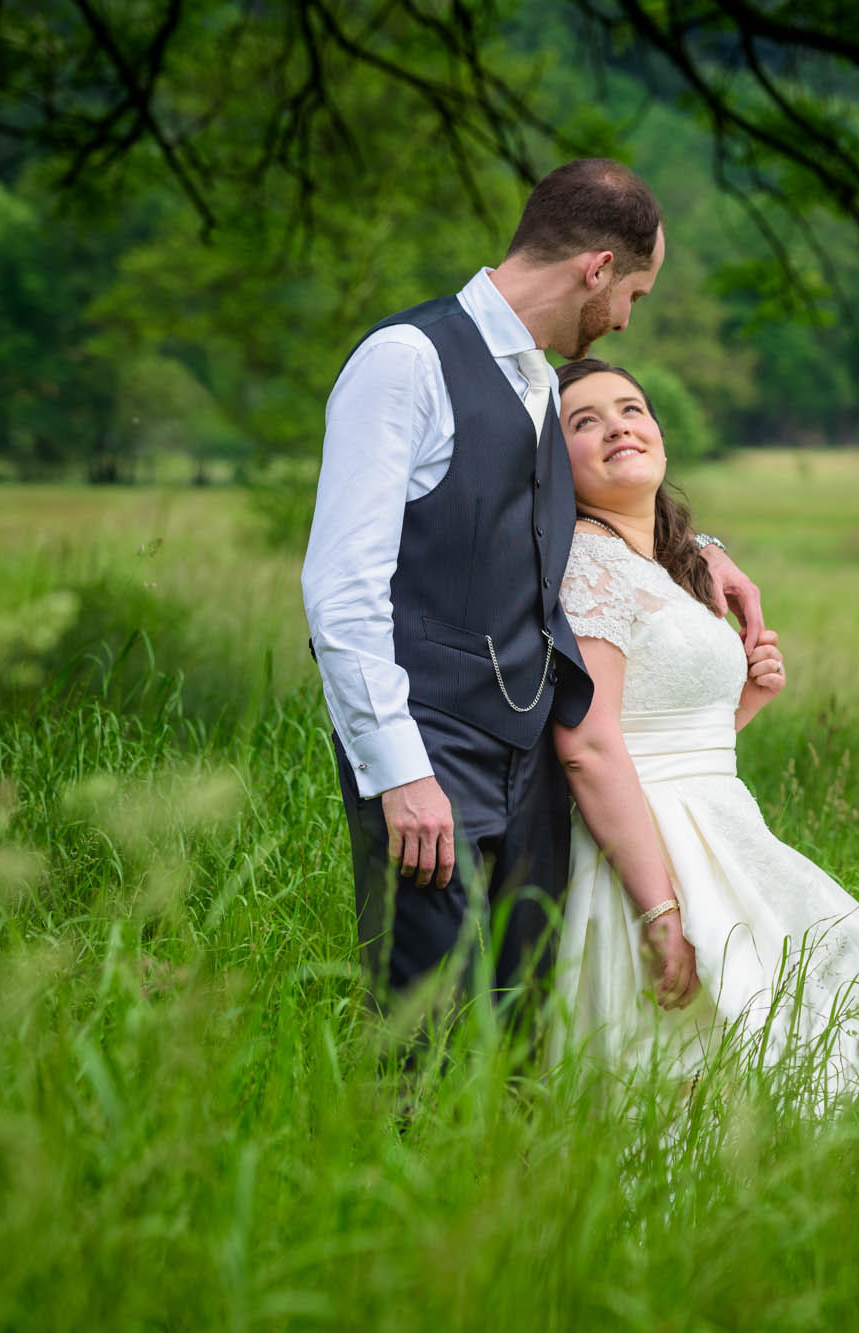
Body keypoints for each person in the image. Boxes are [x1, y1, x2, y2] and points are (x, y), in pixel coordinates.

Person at [300, 160, 763, 1028]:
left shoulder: (541, 382)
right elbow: (340, 591)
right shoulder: (409, 361)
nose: (627, 317)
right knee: (426, 1033)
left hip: (529, 770)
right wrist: (401, 774)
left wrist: (700, 554)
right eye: (634, 292)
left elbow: (570, 525)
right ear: (596, 269)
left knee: (522, 1040)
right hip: (429, 753)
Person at [547, 358, 859, 1098]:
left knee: (812, 1041)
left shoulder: (668, 564)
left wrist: (743, 700)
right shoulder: (589, 567)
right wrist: (662, 908)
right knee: (684, 1076)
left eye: (632, 409)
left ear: (661, 435)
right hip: (648, 856)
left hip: (719, 830)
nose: (617, 427)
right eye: (585, 422)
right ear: (555, 459)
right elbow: (588, 744)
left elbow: (667, 733)